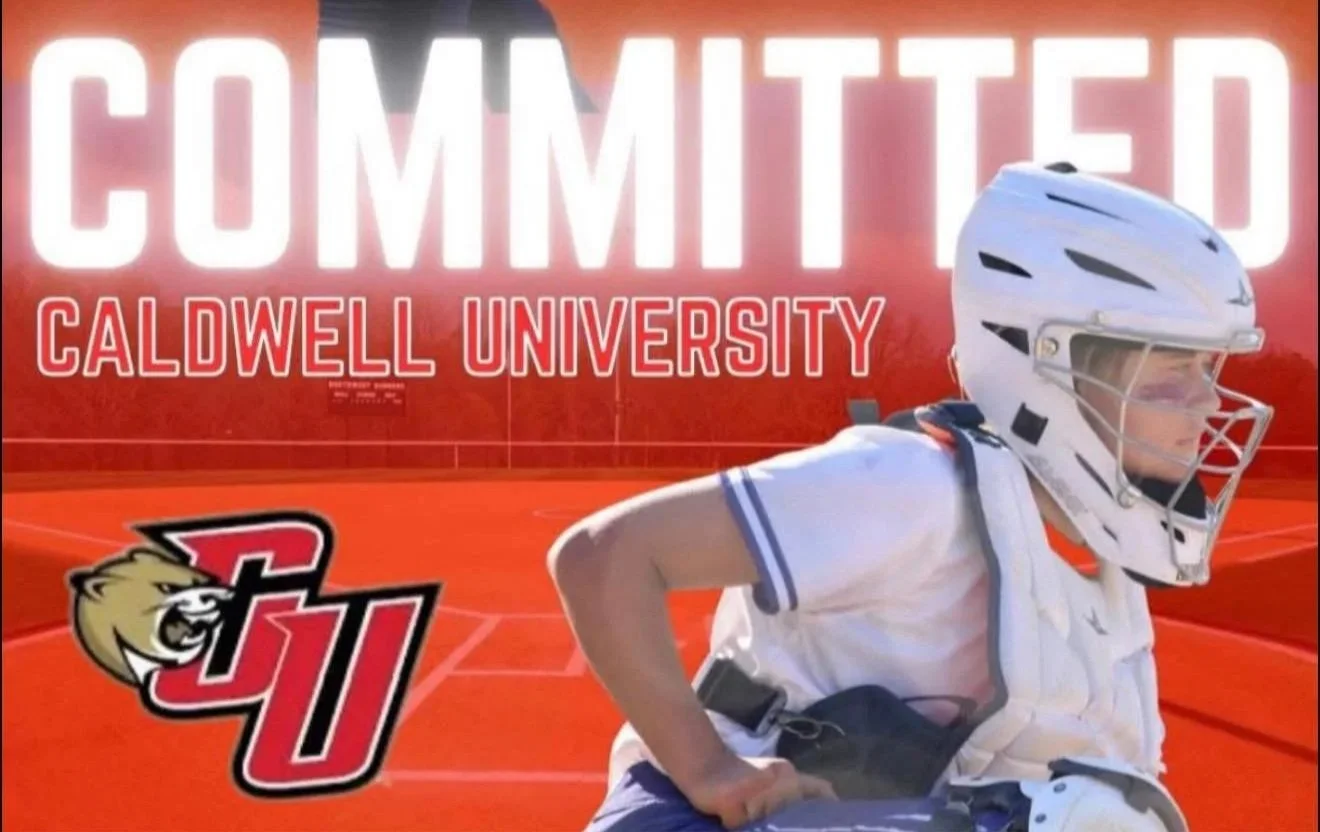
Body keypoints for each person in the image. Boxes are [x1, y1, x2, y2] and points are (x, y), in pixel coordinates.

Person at [548, 161, 1274, 831]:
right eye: (1171, 372)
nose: (1209, 403)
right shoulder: (913, 487)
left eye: (1209, 370)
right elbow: (604, 555)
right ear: (1055, 368)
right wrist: (710, 768)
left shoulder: (1106, 567)